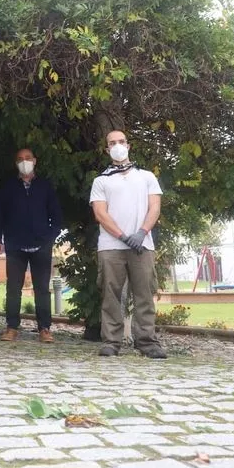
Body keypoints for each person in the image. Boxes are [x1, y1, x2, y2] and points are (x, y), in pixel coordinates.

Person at [90, 130, 167, 359]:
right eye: (112, 143)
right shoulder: (101, 180)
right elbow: (100, 214)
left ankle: (147, 342)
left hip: (143, 245)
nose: (117, 146)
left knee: (144, 292)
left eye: (121, 141)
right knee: (111, 294)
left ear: (128, 145)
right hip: (111, 246)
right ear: (107, 150)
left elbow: (155, 207)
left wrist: (142, 233)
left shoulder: (146, 177)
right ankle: (111, 342)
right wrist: (124, 237)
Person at [0, 148, 62, 343]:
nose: (24, 162)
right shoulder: (8, 187)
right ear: (16, 164)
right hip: (15, 245)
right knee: (13, 288)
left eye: (28, 158)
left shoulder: (45, 186)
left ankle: (45, 329)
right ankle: (11, 327)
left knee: (42, 288)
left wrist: (50, 237)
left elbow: (56, 216)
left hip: (41, 245)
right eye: (20, 159)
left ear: (35, 161)